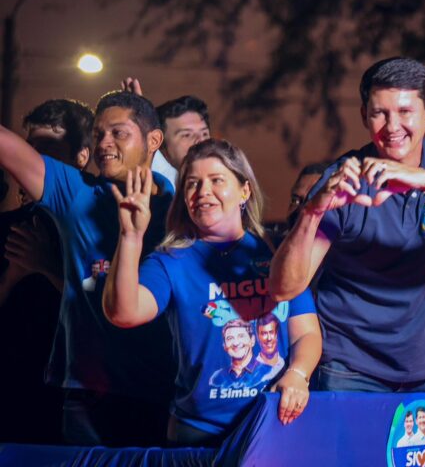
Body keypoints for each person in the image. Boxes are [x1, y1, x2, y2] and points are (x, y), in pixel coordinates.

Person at [269, 57, 425, 392]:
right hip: (348, 370)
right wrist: (312, 211)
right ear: (364, 116)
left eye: (405, 111)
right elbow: (284, 288)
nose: (392, 126)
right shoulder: (345, 178)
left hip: (420, 372)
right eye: (380, 113)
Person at [104, 139, 321, 446]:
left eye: (217, 180)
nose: (203, 191)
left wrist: (298, 374)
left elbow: (306, 333)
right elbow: (123, 313)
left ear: (244, 191)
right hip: (198, 432)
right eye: (193, 184)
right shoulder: (171, 260)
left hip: (271, 422)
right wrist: (130, 237)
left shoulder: (277, 253)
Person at [0, 91, 175, 446]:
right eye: (98, 134)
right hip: (88, 397)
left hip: (165, 392)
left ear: (154, 140)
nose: (104, 143)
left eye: (118, 133)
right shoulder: (77, 194)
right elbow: (8, 147)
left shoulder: (180, 209)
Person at [0, 99, 93, 444]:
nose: (31, 160)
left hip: (76, 393)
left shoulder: (100, 225)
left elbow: (104, 313)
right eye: (29, 148)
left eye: (47, 150)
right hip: (12, 387)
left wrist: (46, 266)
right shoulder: (9, 226)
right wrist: (12, 277)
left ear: (81, 157)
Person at [121, 77, 211, 189]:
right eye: (187, 135)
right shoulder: (162, 189)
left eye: (205, 134)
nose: (201, 141)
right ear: (158, 143)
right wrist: (142, 127)